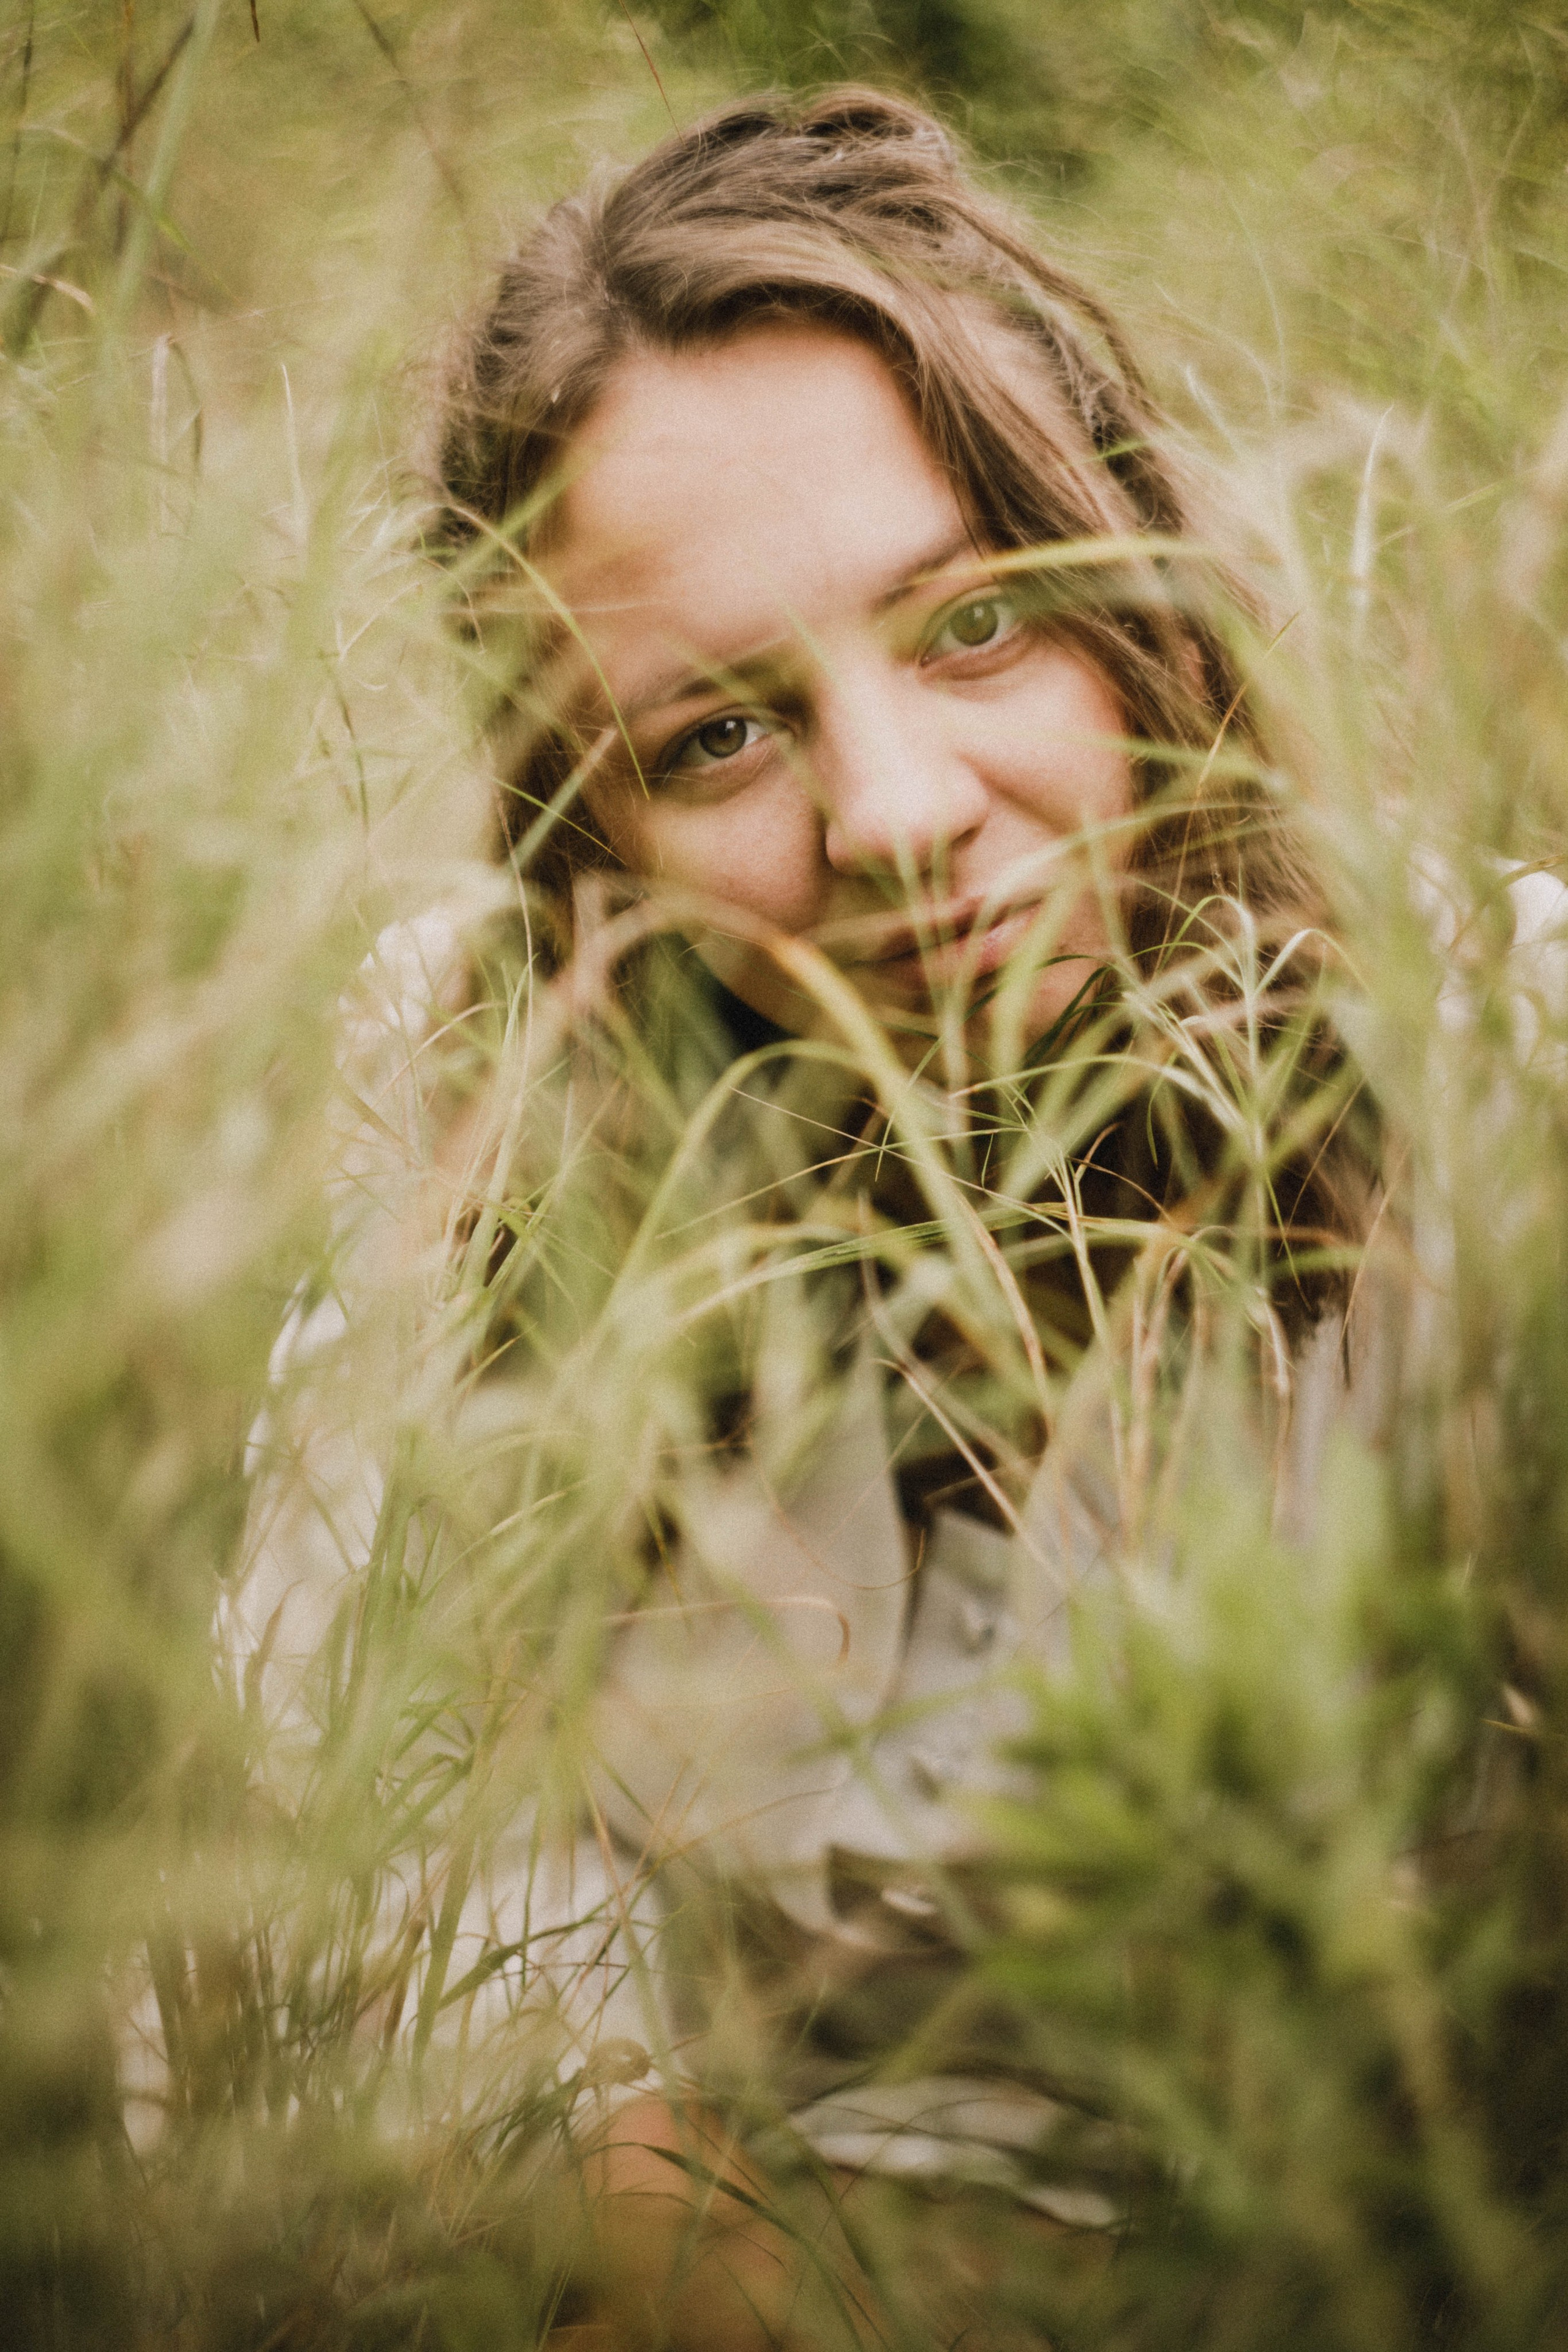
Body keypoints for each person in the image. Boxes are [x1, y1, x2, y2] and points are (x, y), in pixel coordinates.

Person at [243, 85, 1379, 2351]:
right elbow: (354, 1891)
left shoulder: (1507, 1065)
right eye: (715, 742)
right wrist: (684, 2216)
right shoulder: (484, 1151)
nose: (891, 811)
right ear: (591, 837)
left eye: (971, 629)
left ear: (1133, 585)